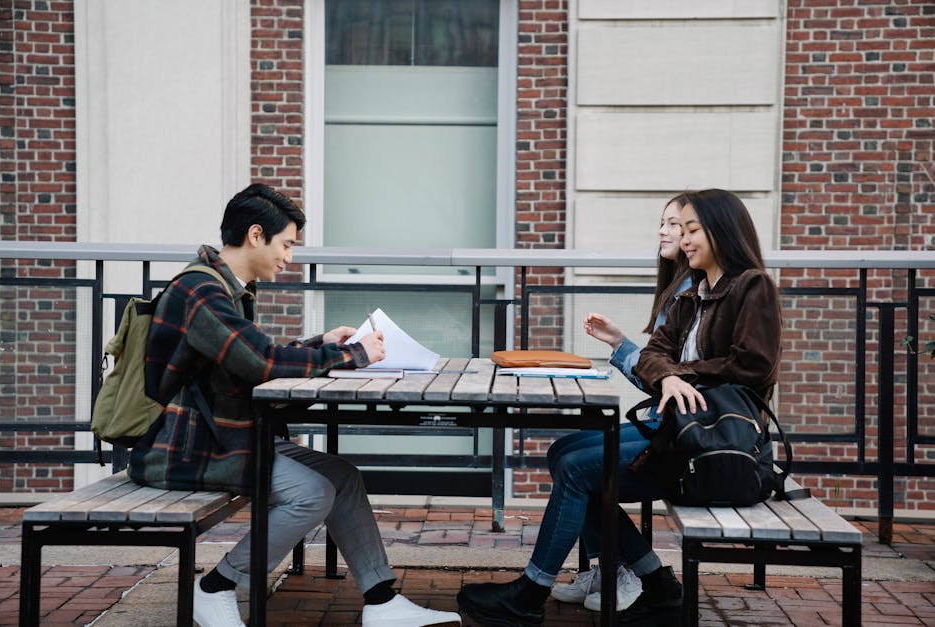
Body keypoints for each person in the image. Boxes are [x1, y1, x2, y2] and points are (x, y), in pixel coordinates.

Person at [127, 184, 461, 627]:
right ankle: (215, 587)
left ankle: (382, 602)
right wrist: (353, 355)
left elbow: (247, 358)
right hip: (186, 449)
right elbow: (260, 362)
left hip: (221, 436)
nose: (289, 257)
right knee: (312, 492)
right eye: (286, 244)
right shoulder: (200, 291)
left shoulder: (224, 288)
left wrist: (317, 344)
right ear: (255, 234)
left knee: (342, 477)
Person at [456, 188, 782, 626]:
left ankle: (531, 593)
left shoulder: (751, 286)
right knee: (564, 455)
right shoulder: (692, 292)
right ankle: (658, 584)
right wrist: (666, 374)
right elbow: (653, 355)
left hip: (712, 445)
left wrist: (677, 373)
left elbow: (751, 367)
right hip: (678, 431)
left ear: (723, 231)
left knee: (578, 471)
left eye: (692, 230)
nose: (683, 240)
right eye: (678, 230)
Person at [547, 195, 692, 613]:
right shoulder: (678, 288)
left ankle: (632, 571)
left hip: (679, 438)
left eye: (674, 224)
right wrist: (618, 343)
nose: (662, 231)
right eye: (661, 223)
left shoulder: (694, 292)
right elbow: (660, 377)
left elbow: (667, 379)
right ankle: (635, 570)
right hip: (666, 424)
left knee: (579, 467)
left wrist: (624, 347)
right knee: (563, 453)